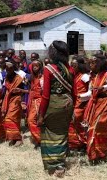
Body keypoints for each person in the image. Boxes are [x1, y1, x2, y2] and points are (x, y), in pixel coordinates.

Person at [37, 40, 74, 178]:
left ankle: (54, 164)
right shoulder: (70, 69)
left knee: (49, 133)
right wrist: (73, 109)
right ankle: (61, 163)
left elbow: (45, 95)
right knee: (62, 133)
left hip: (53, 104)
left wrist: (41, 115)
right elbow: (74, 92)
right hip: (67, 104)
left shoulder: (49, 69)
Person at [81, 54, 107, 163]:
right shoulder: (91, 76)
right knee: (91, 127)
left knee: (99, 127)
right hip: (94, 103)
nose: (91, 65)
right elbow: (91, 92)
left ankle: (102, 153)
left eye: (94, 62)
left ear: (100, 63)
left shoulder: (106, 74)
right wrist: (80, 96)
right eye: (90, 62)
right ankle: (94, 154)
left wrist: (103, 88)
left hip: (104, 102)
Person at [68, 55, 90, 152]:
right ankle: (76, 143)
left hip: (82, 103)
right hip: (74, 102)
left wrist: (83, 96)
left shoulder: (84, 76)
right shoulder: (74, 76)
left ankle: (84, 143)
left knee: (78, 122)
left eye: (75, 65)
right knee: (73, 122)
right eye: (71, 65)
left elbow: (91, 88)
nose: (73, 67)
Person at [1, 61, 26, 147]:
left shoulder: (19, 78)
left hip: (16, 99)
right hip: (8, 99)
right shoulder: (7, 77)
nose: (8, 70)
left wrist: (22, 97)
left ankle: (18, 138)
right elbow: (5, 89)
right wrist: (2, 99)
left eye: (10, 68)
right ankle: (13, 137)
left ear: (14, 68)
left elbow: (27, 90)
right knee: (13, 119)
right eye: (6, 69)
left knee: (10, 118)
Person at [26, 60, 43, 148]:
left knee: (31, 120)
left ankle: (40, 139)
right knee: (33, 121)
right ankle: (38, 139)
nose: (35, 67)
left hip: (39, 101)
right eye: (33, 66)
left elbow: (44, 92)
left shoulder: (42, 78)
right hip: (32, 101)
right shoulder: (32, 78)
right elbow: (31, 90)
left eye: (37, 66)